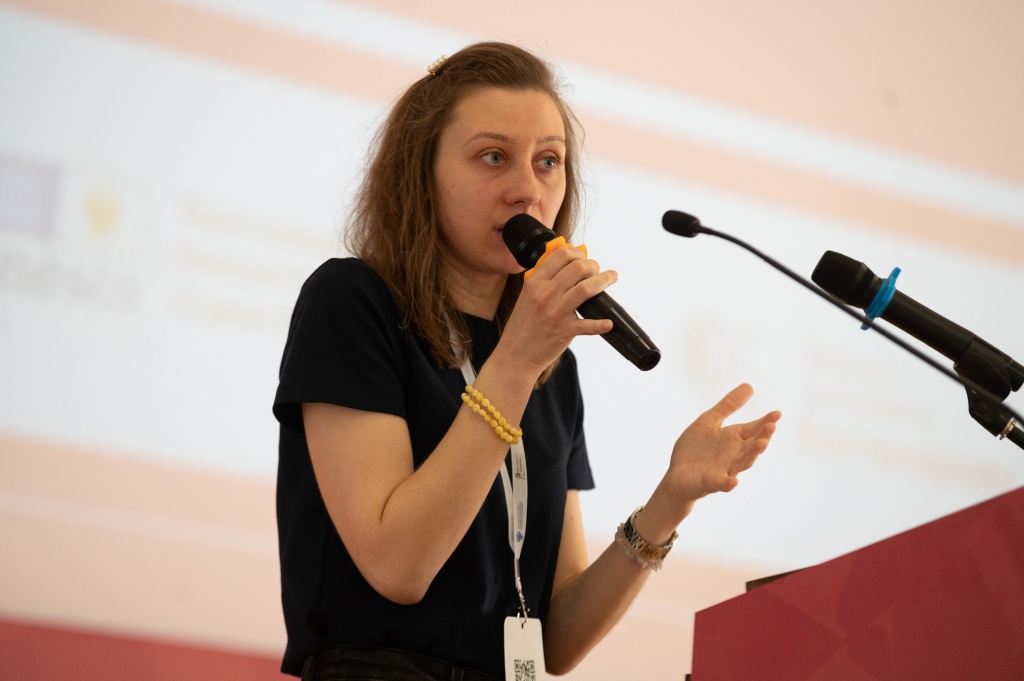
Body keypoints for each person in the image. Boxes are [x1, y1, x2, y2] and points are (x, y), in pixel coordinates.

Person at [273, 41, 781, 681]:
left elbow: (555, 644)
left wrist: (669, 503)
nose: (527, 190)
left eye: (548, 162)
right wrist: (515, 362)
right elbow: (398, 568)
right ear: (421, 172)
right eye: (493, 157)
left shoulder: (548, 363)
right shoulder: (354, 302)